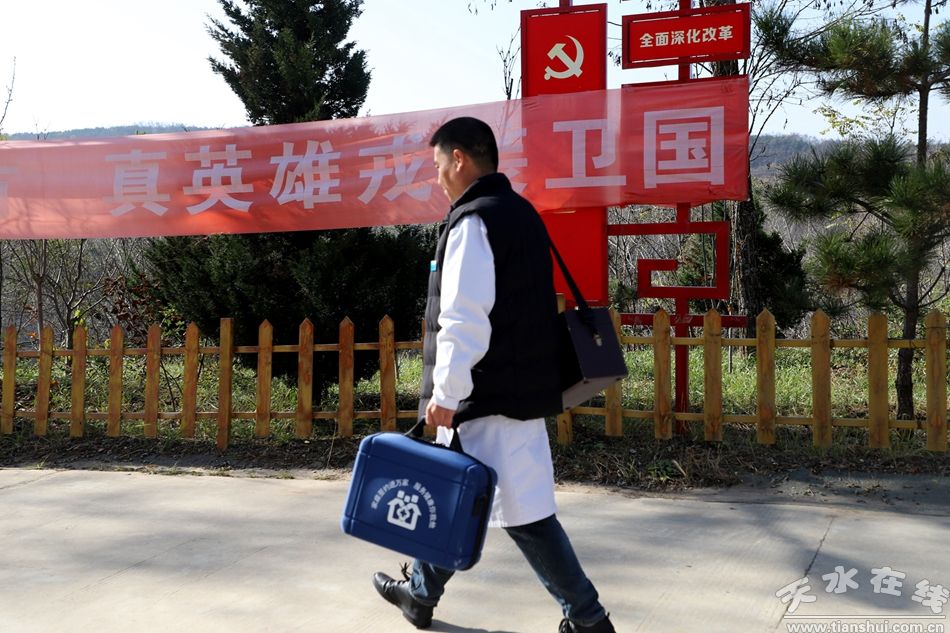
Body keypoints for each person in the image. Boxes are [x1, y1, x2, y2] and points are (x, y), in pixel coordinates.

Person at [371, 117, 616, 633]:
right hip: (520, 387)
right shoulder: (522, 213)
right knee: (458, 497)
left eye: (439, 165)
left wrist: (446, 393)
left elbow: (464, 317)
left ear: (460, 159)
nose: (438, 177)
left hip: (485, 394)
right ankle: (420, 594)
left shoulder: (473, 221)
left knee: (522, 515)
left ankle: (588, 618)